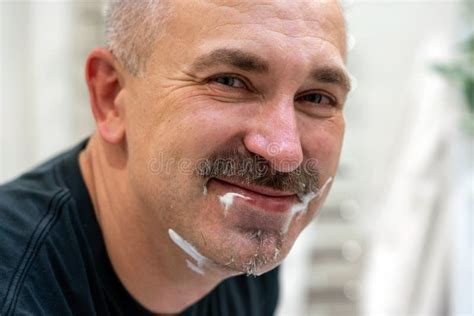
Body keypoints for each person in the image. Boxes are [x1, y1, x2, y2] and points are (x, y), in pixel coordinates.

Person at [0, 0, 350, 315]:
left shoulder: (243, 231)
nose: (285, 152)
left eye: (317, 98)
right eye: (229, 81)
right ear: (111, 96)